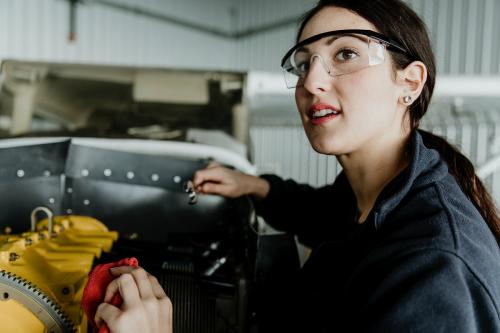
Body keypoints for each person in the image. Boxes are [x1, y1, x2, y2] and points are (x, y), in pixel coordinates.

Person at [96, 0, 500, 331]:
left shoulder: (435, 269)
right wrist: (254, 186)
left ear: (409, 83)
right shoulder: (380, 186)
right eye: (304, 63)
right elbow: (323, 211)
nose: (311, 83)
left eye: (345, 54)